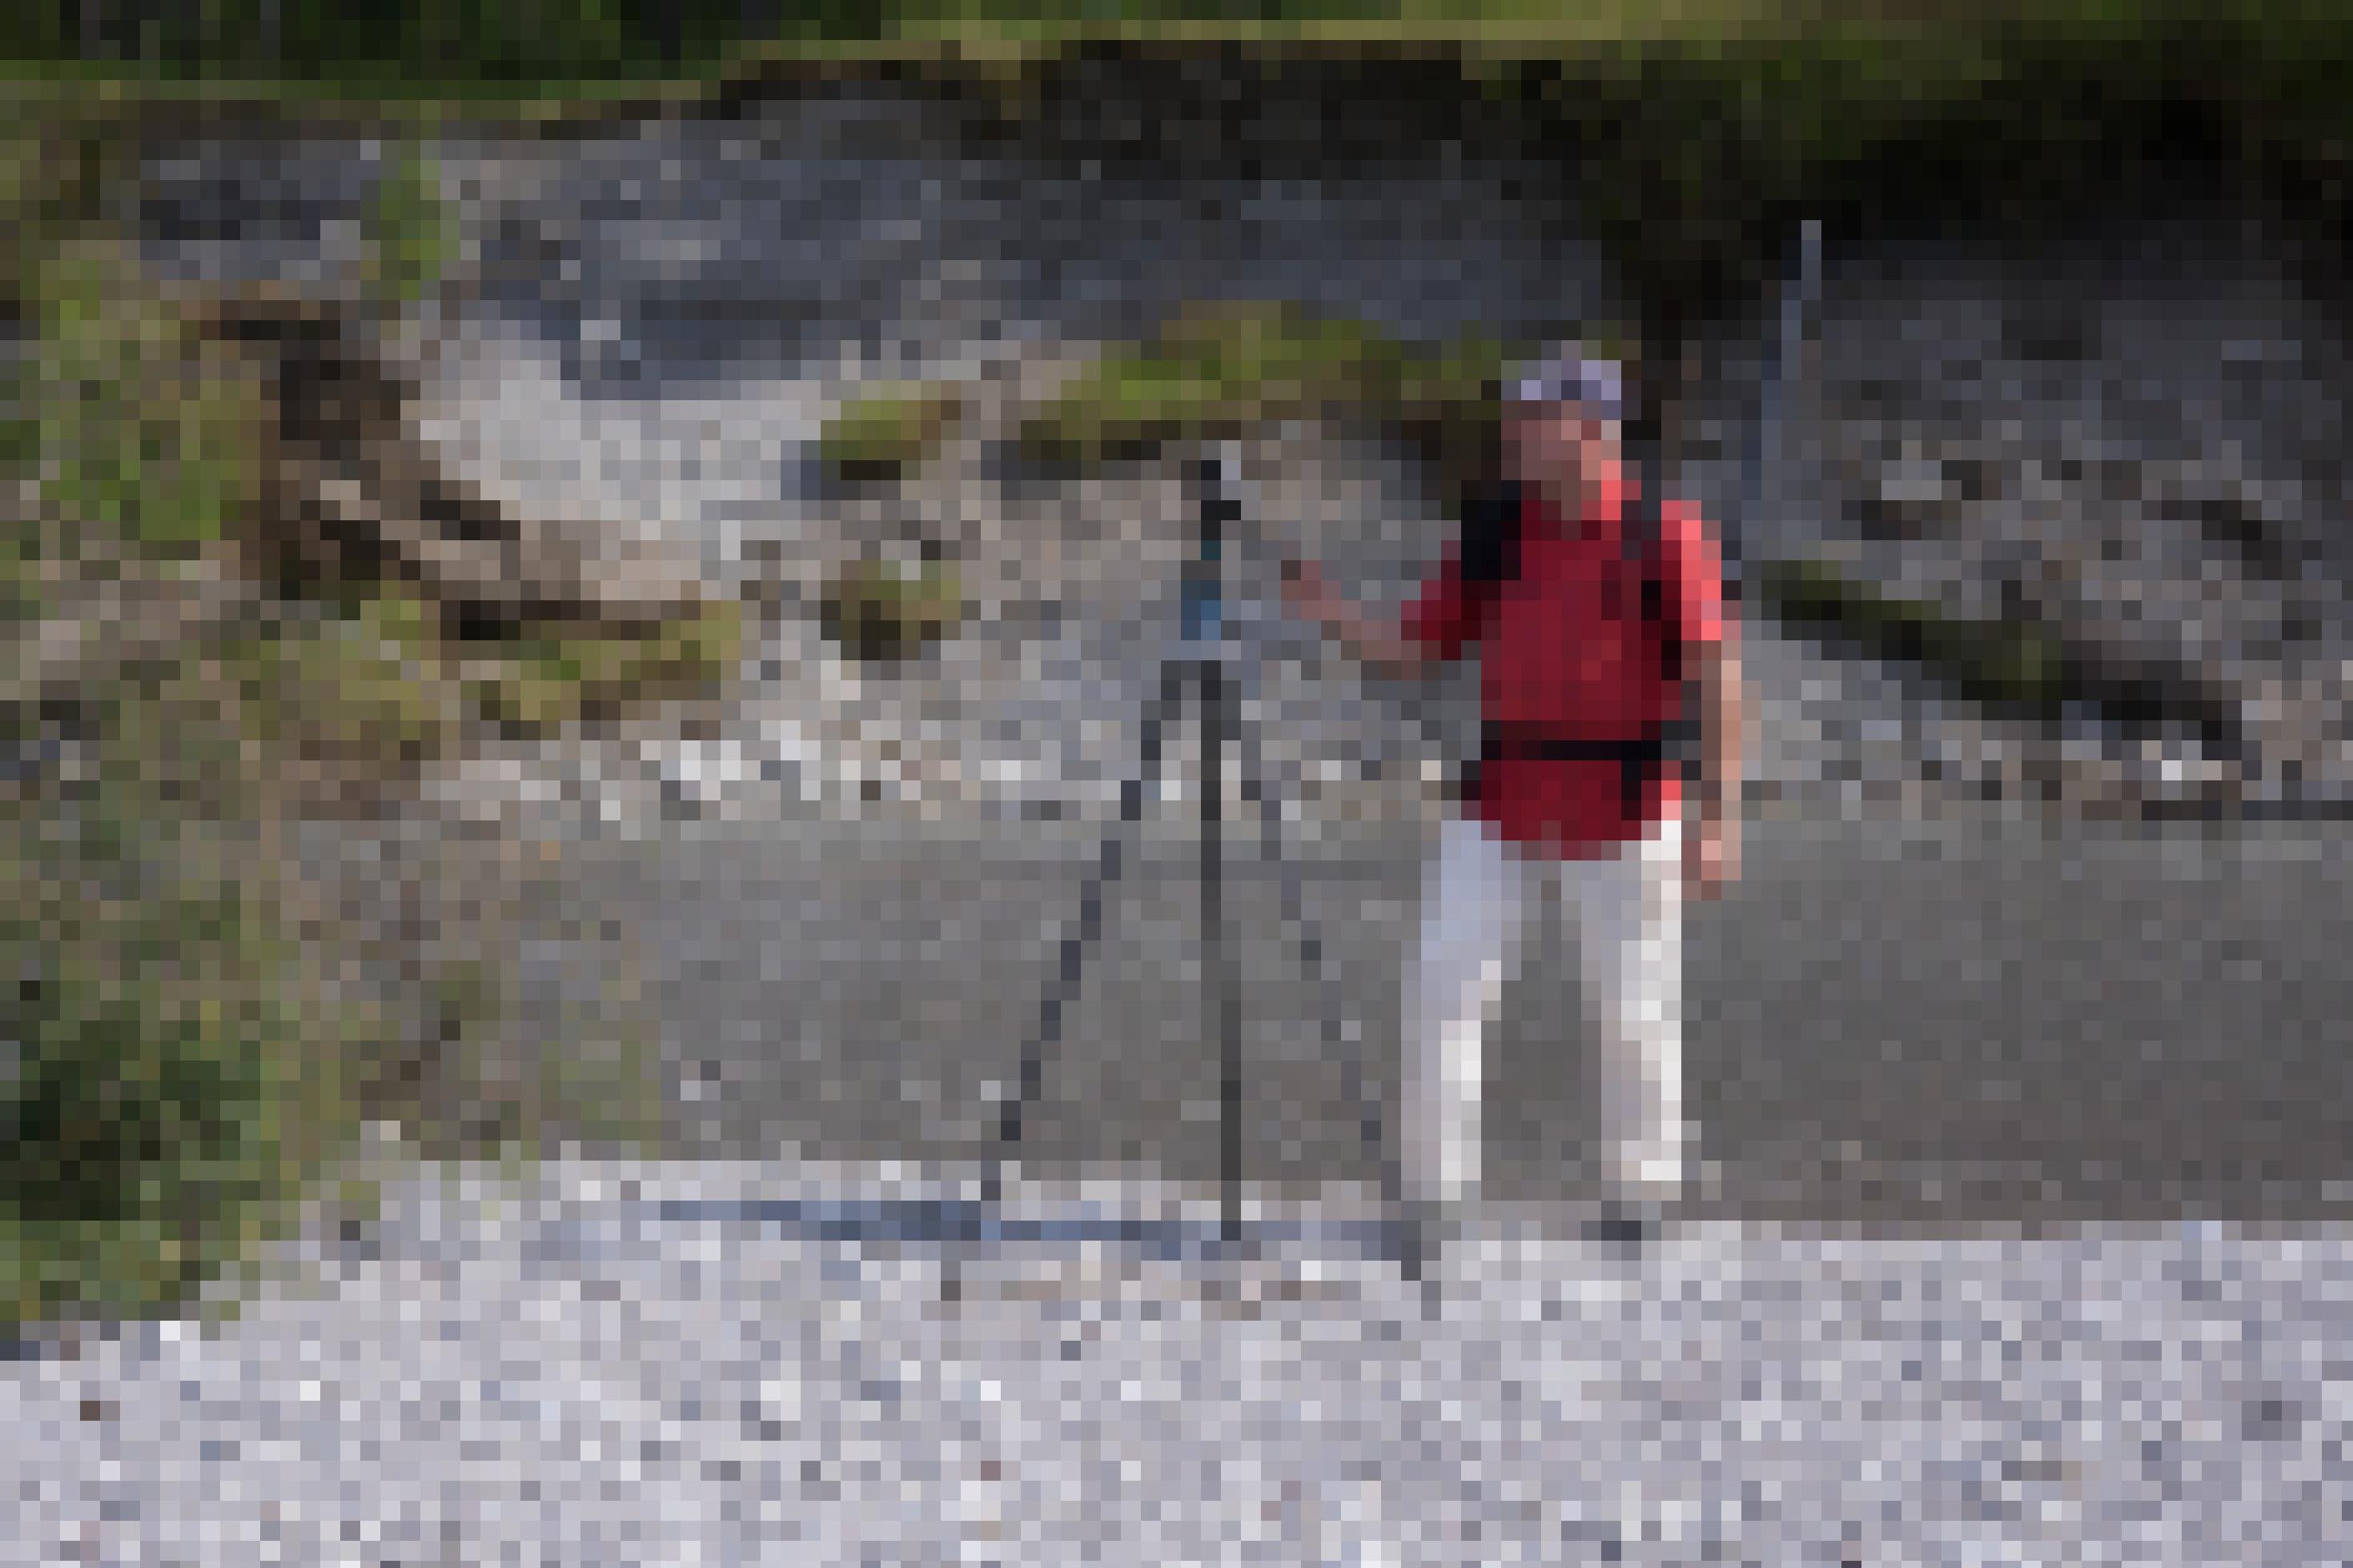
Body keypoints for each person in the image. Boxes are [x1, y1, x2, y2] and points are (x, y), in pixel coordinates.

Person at [1279, 350, 1745, 1271]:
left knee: (1633, 1007)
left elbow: (1717, 679)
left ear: (1591, 428)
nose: (1513, 434)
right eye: (1515, 417)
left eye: (1532, 418)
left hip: (1625, 805)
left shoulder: (1666, 532)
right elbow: (1419, 648)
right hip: (1499, 800)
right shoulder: (1496, 526)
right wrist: (1330, 614)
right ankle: (1434, 1196)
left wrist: (1717, 815)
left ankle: (1640, 1194)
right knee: (1443, 982)